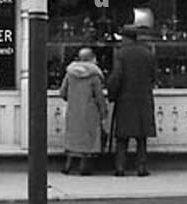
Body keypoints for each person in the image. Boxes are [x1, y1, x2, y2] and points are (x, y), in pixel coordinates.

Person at [106, 22, 157, 176]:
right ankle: (141, 167)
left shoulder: (120, 53)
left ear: (125, 37)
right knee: (141, 137)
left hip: (125, 98)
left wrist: (112, 94)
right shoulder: (148, 52)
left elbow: (117, 76)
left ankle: (120, 167)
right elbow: (153, 75)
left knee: (122, 137)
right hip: (143, 97)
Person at [58, 48, 108, 175]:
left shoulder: (70, 74)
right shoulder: (94, 76)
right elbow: (99, 96)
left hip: (73, 110)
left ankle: (68, 166)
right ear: (92, 59)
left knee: (73, 138)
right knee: (88, 140)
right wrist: (103, 111)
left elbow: (62, 92)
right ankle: (84, 168)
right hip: (90, 111)